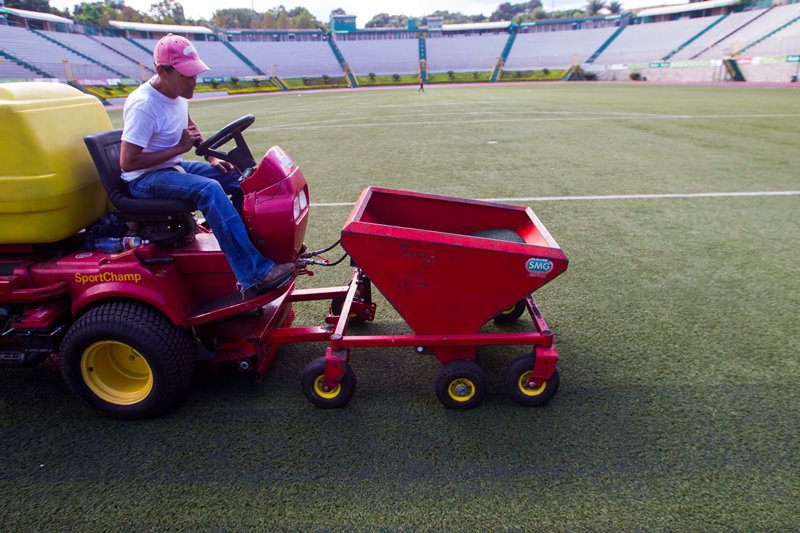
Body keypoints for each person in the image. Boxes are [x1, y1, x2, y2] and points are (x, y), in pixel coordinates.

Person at [119, 33, 294, 297]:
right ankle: (254, 274)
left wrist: (212, 156)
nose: (193, 82)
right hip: (145, 179)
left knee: (237, 176)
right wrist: (178, 149)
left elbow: (189, 125)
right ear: (162, 71)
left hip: (171, 166)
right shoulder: (144, 105)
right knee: (209, 189)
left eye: (195, 74)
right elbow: (128, 162)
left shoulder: (177, 93)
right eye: (186, 76)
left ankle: (250, 248)